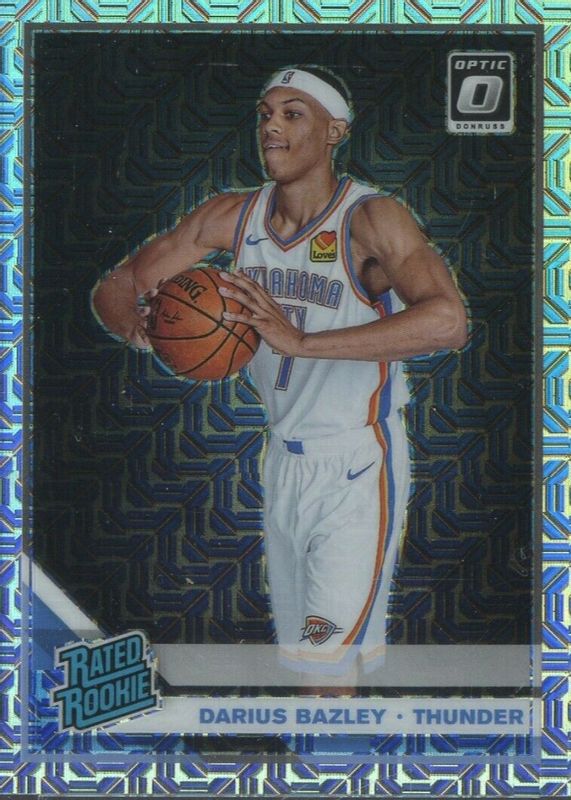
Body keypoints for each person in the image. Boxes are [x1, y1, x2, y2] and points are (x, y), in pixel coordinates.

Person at [92, 66, 467, 689]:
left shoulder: (371, 218)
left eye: (293, 113)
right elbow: (119, 284)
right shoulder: (232, 216)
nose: (272, 125)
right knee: (313, 666)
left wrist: (300, 342)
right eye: (266, 113)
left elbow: (448, 321)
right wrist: (147, 330)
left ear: (334, 131)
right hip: (282, 465)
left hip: (357, 465)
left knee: (324, 669)